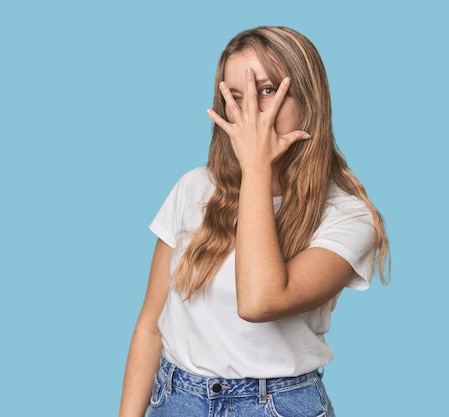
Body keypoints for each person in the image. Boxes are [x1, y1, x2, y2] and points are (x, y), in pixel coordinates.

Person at [119, 25, 390, 417]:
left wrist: (256, 168)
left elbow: (260, 301)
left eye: (267, 92)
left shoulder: (348, 216)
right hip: (176, 399)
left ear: (308, 99)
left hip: (277, 405)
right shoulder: (194, 188)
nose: (250, 114)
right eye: (235, 97)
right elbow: (150, 326)